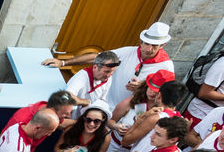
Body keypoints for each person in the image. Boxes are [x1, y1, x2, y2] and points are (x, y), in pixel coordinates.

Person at [45, 21, 174, 107]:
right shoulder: (128, 51)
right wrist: (63, 62)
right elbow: (98, 57)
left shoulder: (166, 66)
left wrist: (144, 87)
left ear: (162, 45)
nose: (148, 49)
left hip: (131, 111)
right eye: (146, 43)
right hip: (106, 105)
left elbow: (165, 95)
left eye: (154, 46)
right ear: (141, 41)